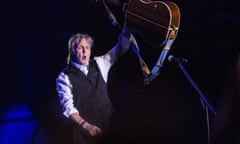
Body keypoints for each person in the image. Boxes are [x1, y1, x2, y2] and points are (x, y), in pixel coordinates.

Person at [55, 27, 131, 144]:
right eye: (80, 48)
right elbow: (69, 109)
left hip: (110, 129)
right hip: (86, 136)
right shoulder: (64, 77)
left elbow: (120, 49)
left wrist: (127, 30)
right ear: (73, 51)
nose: (85, 51)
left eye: (87, 48)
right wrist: (86, 125)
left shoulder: (99, 63)